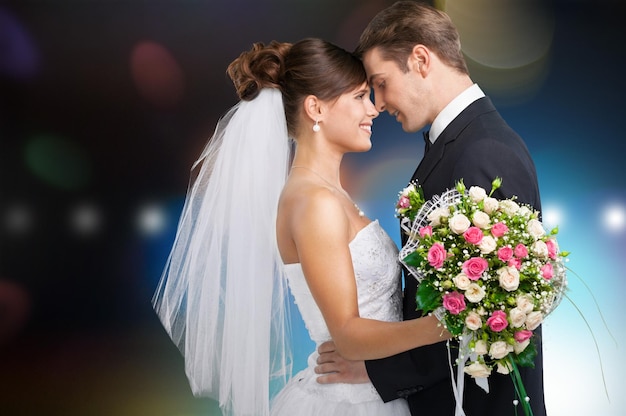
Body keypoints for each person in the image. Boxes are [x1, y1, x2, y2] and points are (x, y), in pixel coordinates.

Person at [152, 37, 450, 416]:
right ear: (316, 108)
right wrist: (447, 325)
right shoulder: (314, 203)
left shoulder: (328, 194)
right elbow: (349, 336)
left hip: (375, 390)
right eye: (359, 97)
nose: (373, 109)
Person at [315, 2, 548, 416]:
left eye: (381, 83)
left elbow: (493, 316)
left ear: (420, 59)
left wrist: (377, 370)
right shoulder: (461, 142)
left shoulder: (483, 151)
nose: (379, 103)